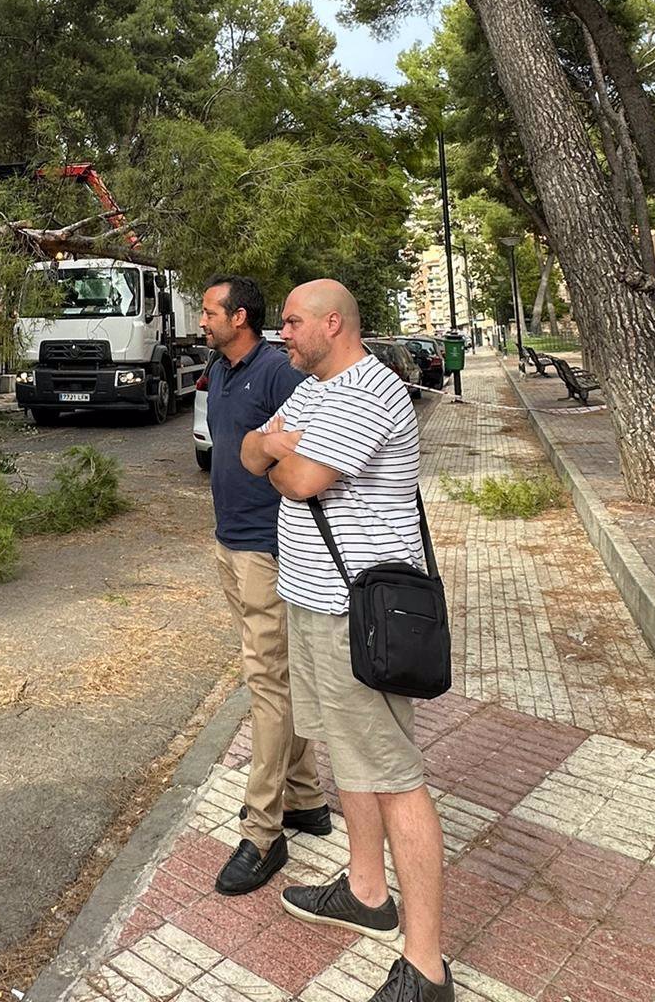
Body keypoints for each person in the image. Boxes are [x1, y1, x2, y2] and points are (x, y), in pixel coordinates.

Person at [241, 279, 453, 1002]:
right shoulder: (313, 391)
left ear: (334, 323)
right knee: (349, 753)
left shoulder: (367, 389)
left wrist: (277, 450)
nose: (283, 335)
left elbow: (297, 478)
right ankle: (367, 892)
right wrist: (273, 443)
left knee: (395, 777)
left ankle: (426, 966)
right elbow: (246, 452)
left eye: (294, 323)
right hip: (313, 605)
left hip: (360, 613)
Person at [199, 275, 329, 897]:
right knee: (276, 678)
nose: (202, 320)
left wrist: (272, 454)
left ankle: (263, 832)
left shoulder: (277, 370)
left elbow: (315, 433)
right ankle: (304, 797)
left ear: (239, 316)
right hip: (231, 543)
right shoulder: (222, 369)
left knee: (268, 685)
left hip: (266, 550)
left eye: (209, 311)